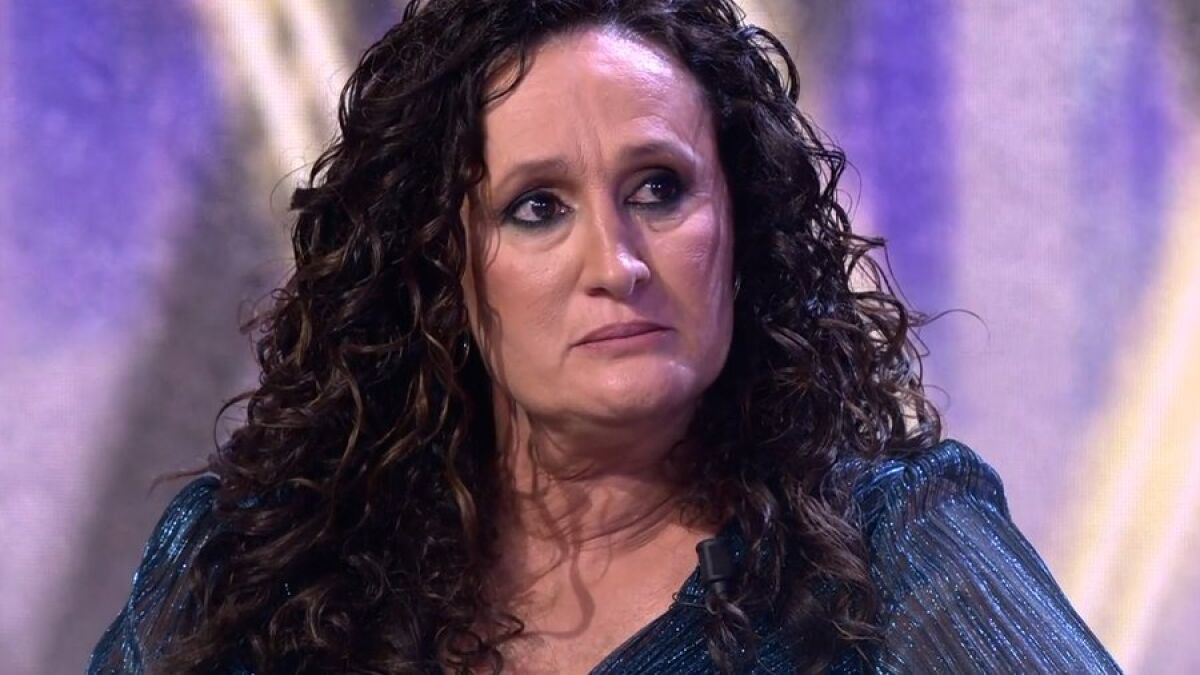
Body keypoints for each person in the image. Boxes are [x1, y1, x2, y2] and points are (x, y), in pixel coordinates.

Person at [88, 0, 1121, 673]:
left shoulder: (896, 555)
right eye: (537, 208)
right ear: (443, 269)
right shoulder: (244, 570)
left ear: (742, 224)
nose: (617, 262)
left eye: (660, 189)